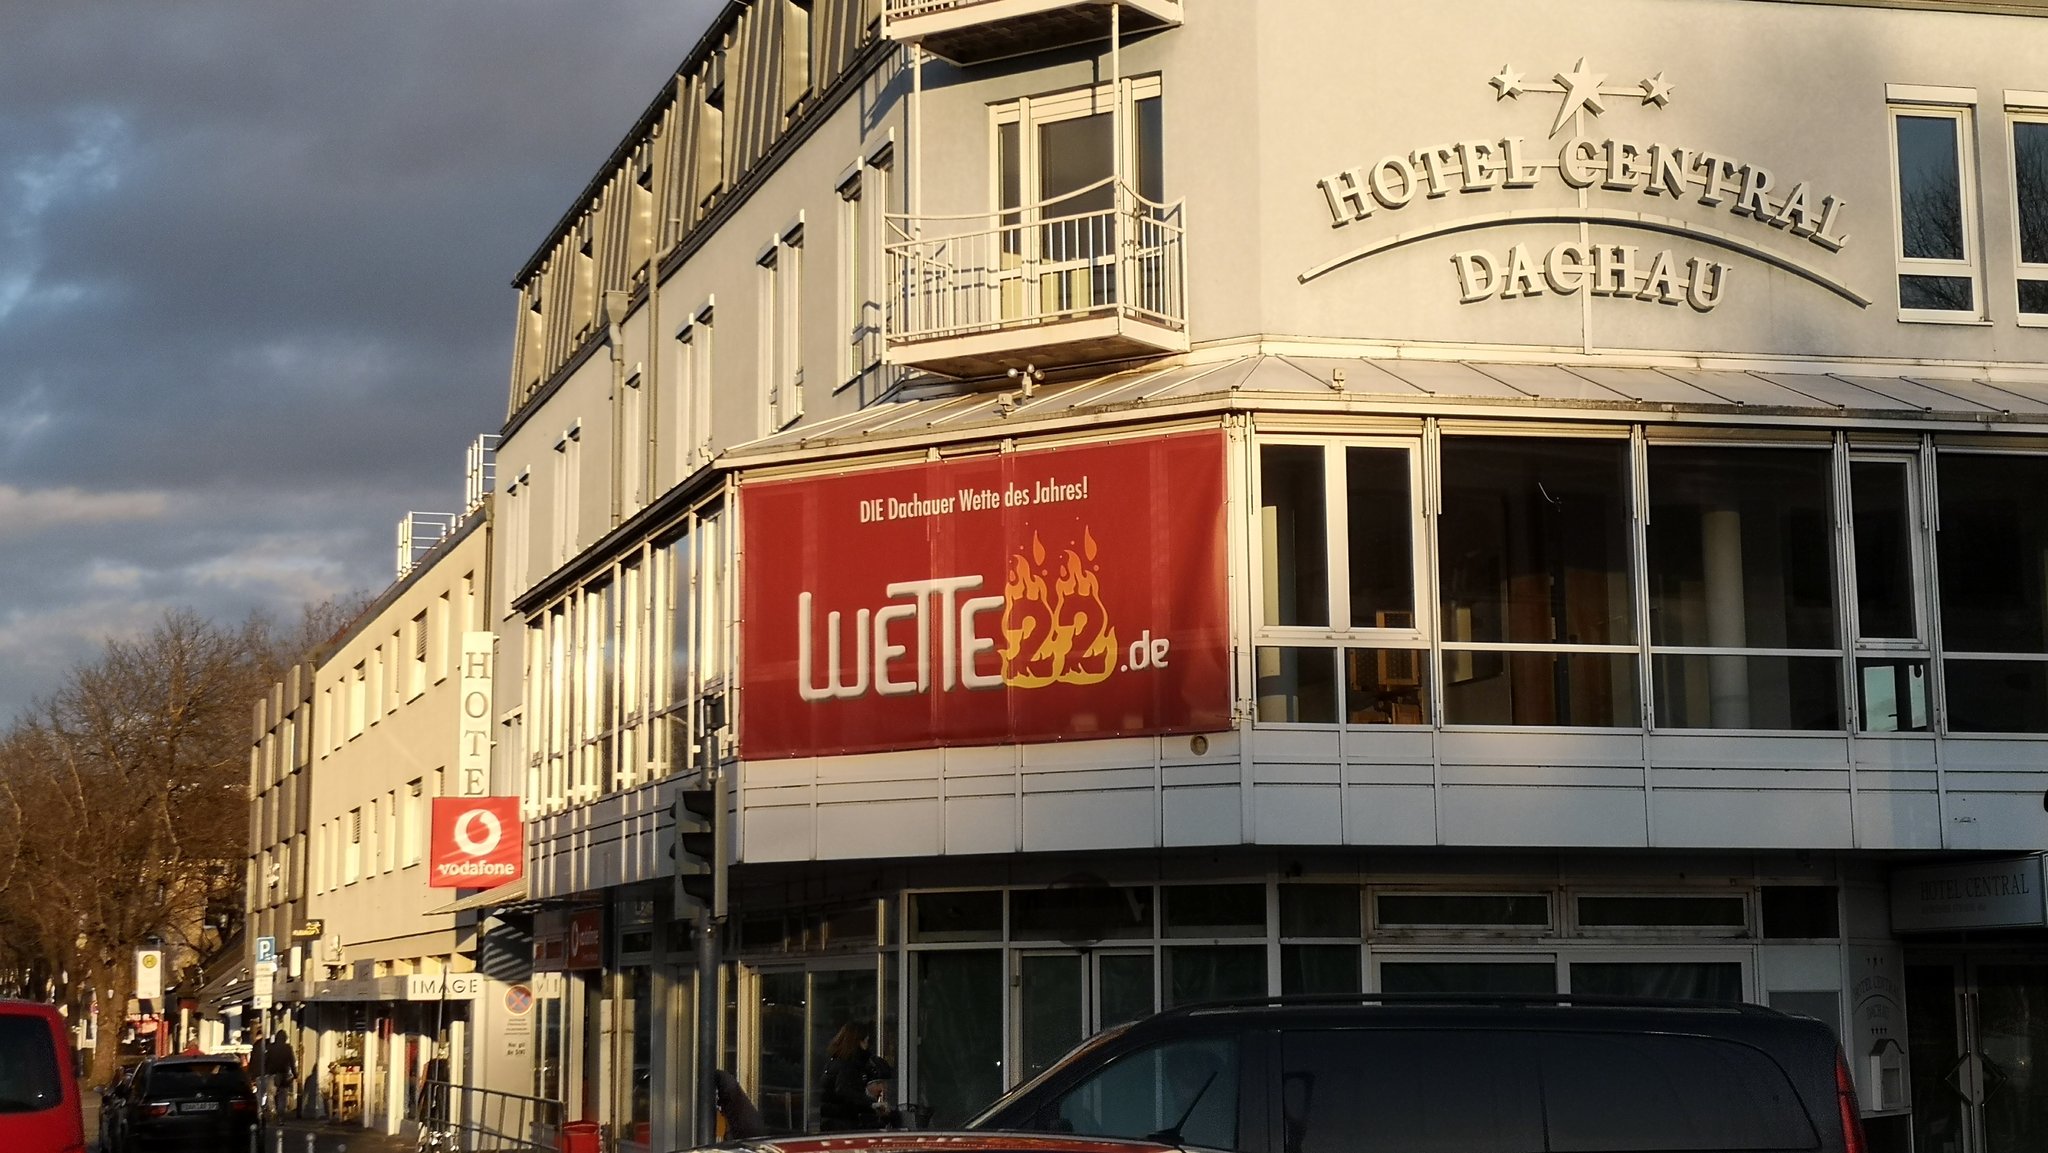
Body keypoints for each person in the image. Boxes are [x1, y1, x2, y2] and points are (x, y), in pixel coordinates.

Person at [817, 1022, 892, 1132]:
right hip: (843, 1124)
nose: (867, 1046)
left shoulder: (834, 1063)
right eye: (866, 1041)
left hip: (831, 1122)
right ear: (859, 1042)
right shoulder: (848, 1066)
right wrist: (871, 1104)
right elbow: (846, 1092)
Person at [265, 1031, 299, 1119]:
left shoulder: (271, 1047)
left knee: (271, 1094)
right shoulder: (288, 1048)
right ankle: (281, 1115)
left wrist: (265, 1071)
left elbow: (266, 1060)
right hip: (284, 1074)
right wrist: (295, 1074)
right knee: (282, 1096)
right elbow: (292, 1062)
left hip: (272, 1074)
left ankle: (272, 1111)